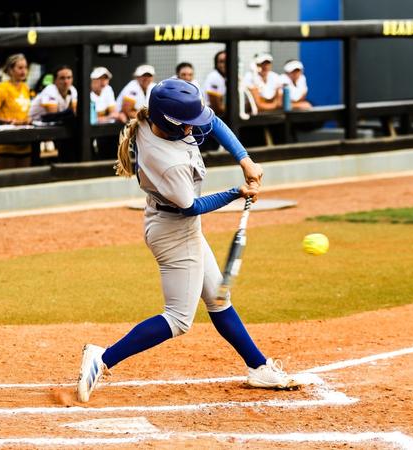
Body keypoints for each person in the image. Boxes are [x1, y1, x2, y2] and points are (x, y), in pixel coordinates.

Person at [76, 79, 297, 403]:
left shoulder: (158, 118)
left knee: (218, 298)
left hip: (173, 224)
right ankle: (103, 358)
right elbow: (190, 206)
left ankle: (258, 366)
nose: (195, 130)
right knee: (178, 319)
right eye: (189, 126)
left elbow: (215, 122)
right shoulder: (167, 162)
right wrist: (236, 193)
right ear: (170, 124)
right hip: (174, 232)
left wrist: (245, 159)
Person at [0, 53, 33, 169]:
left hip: (25, 143)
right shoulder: (1, 89)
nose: (23, 71)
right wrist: (10, 122)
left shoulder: (26, 88)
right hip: (7, 145)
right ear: (10, 70)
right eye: (20, 68)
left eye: (25, 67)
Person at [202, 50, 227, 116]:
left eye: (227, 61)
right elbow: (217, 108)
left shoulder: (226, 78)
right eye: (221, 62)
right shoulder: (214, 77)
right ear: (216, 64)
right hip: (208, 117)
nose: (224, 64)